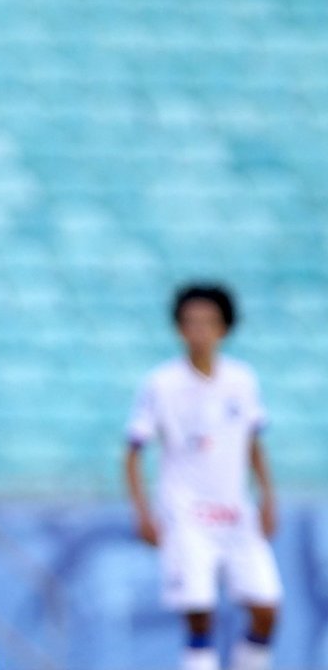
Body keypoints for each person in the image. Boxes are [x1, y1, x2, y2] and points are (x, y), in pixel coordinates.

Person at [125, 284, 280, 670]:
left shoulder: (242, 380)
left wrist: (267, 498)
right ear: (179, 329)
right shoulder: (161, 384)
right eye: (191, 323)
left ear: (224, 329)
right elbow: (133, 452)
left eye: (208, 323)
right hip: (186, 513)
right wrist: (143, 513)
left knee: (266, 608)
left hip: (236, 510)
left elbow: (252, 444)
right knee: (200, 613)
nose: (199, 331)